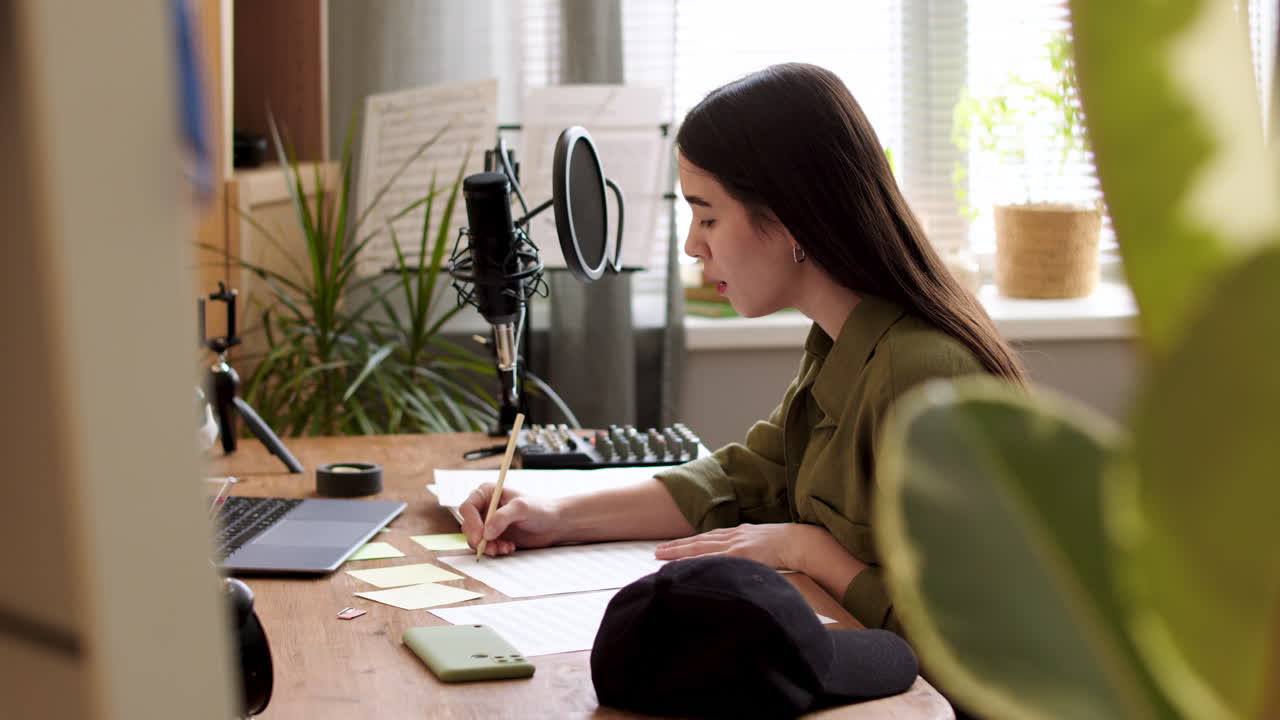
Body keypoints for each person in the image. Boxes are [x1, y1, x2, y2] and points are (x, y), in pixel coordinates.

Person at [459, 62, 1026, 636]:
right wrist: (551, 517)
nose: (691, 245)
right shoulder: (840, 341)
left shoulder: (923, 375)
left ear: (790, 219)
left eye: (707, 216)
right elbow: (742, 479)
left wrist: (808, 550)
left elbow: (971, 635)